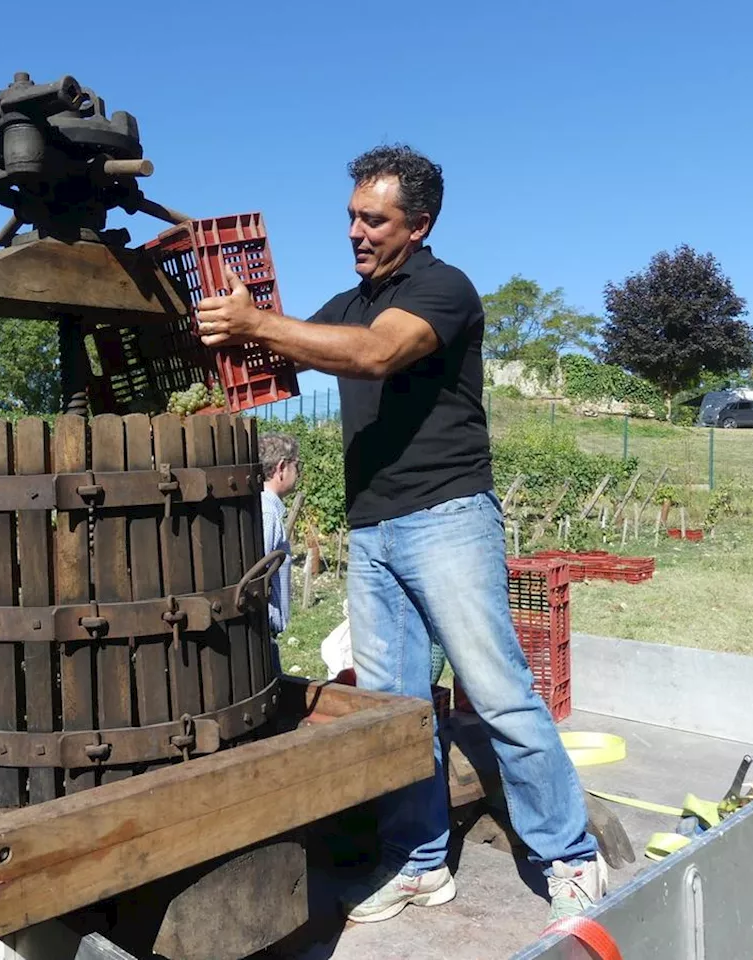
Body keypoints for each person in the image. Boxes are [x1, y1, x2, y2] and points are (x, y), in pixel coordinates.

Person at [194, 144, 604, 924]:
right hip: (373, 533)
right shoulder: (349, 305)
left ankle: (570, 857)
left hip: (447, 520)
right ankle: (419, 862)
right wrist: (235, 321)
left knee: (499, 694)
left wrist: (261, 323)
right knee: (395, 708)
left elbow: (378, 354)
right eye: (351, 215)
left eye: (373, 219)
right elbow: (282, 345)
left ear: (419, 225)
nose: (355, 230)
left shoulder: (442, 290)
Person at [258, 433, 300, 674]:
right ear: (281, 467)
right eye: (297, 466)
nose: (299, 473)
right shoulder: (267, 513)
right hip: (262, 636)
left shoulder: (266, 508)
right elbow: (257, 570)